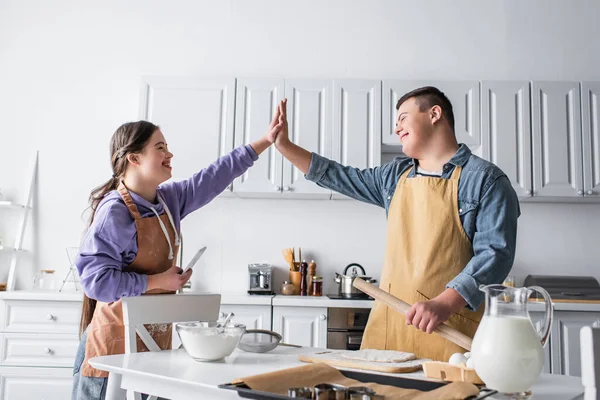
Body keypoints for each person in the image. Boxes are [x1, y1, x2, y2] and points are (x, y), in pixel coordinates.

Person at [274, 86, 520, 361]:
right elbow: (338, 175)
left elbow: (495, 254)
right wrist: (285, 146)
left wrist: (443, 304)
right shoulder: (394, 176)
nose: (397, 128)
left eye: (403, 118)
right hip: (388, 334)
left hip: (450, 334)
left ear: (434, 114)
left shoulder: (486, 180)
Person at [71, 114, 282, 399]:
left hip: (152, 346)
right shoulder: (115, 211)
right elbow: (97, 283)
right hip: (112, 350)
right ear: (134, 158)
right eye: (160, 147)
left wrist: (265, 141)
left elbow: (214, 175)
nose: (169, 153)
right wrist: (160, 281)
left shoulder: (169, 200)